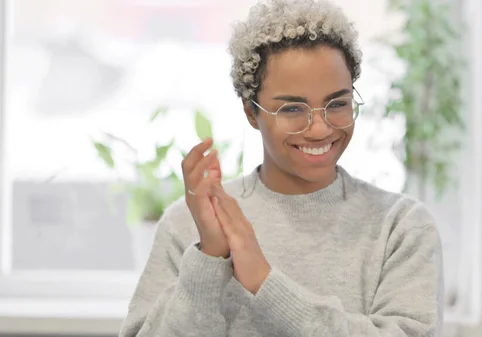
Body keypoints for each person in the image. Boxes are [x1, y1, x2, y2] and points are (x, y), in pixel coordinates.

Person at [119, 0, 444, 336]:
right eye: (291, 108)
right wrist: (209, 258)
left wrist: (264, 282)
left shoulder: (401, 227)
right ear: (250, 111)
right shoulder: (190, 225)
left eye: (337, 103)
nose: (319, 128)